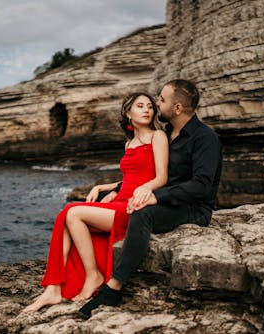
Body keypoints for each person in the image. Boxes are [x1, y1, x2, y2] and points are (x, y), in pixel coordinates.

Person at [78, 79, 223, 319]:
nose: (156, 104)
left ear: (177, 109)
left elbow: (202, 186)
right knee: (124, 205)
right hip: (169, 200)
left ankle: (113, 288)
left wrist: (157, 197)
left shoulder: (205, 138)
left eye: (162, 100)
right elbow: (152, 173)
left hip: (194, 208)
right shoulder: (166, 134)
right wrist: (117, 188)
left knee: (141, 212)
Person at [22, 92, 169, 312]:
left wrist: (145, 189)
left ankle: (93, 276)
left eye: (150, 106)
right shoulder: (129, 144)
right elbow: (130, 177)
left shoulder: (158, 137)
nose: (147, 109)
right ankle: (53, 288)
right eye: (140, 106)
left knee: (72, 212)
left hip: (135, 207)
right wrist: (103, 187)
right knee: (66, 218)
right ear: (128, 113)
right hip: (119, 200)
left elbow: (161, 177)